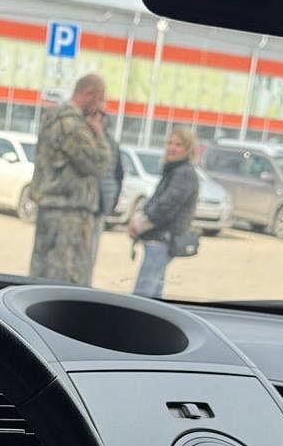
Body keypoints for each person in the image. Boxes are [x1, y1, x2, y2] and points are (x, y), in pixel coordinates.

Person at [27, 73, 109, 284]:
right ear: (88, 93)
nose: (102, 106)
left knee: (42, 272)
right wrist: (98, 132)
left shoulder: (54, 117)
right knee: (66, 279)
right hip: (69, 213)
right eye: (100, 99)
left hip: (52, 207)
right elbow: (97, 164)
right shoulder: (72, 125)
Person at [129, 127, 200, 298]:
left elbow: (166, 206)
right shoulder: (173, 170)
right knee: (154, 290)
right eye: (170, 143)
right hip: (159, 238)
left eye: (178, 144)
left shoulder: (184, 173)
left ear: (188, 149)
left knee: (144, 292)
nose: (172, 148)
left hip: (162, 238)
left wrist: (141, 222)